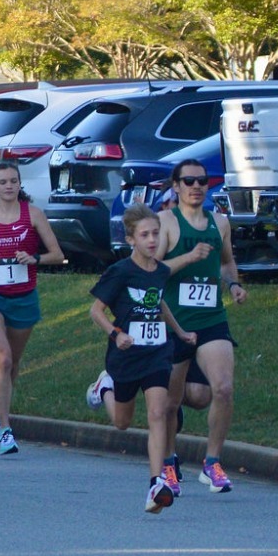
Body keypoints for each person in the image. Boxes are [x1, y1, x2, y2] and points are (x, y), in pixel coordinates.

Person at [91, 205, 195, 514]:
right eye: (145, 235)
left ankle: (156, 482)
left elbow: (159, 303)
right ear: (131, 239)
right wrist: (115, 334)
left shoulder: (161, 271)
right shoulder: (120, 271)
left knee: (159, 412)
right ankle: (103, 389)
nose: (152, 240)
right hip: (125, 356)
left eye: (155, 233)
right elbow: (95, 311)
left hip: (156, 353)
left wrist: (180, 331)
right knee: (122, 423)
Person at [0, 160, 66, 455]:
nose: (9, 186)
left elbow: (57, 254)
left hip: (23, 296)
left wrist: (34, 258)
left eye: (13, 181)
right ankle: (5, 428)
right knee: (4, 358)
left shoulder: (32, 214)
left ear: (20, 184)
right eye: (3, 182)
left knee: (13, 364)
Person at [154, 156, 244, 493]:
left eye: (202, 181)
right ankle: (168, 466)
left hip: (211, 319)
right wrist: (188, 258)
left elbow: (227, 262)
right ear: (175, 186)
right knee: (171, 403)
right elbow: (153, 269)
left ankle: (212, 463)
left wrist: (233, 285)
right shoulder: (165, 222)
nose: (196, 187)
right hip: (173, 322)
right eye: (188, 181)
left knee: (221, 389)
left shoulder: (219, 223)